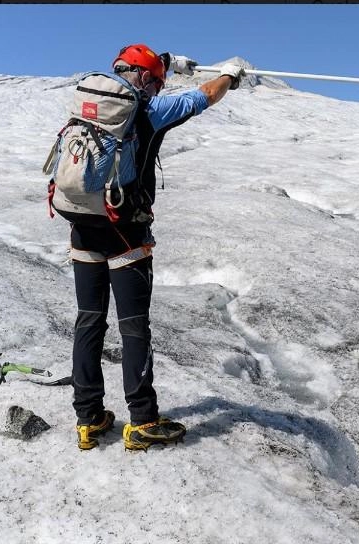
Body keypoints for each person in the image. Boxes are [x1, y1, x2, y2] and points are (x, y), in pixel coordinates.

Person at [67, 44, 246, 451]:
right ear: (146, 81)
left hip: (82, 230)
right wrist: (231, 75)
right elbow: (205, 95)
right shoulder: (148, 112)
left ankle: (89, 420)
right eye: (156, 80)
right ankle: (143, 421)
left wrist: (169, 65)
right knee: (134, 328)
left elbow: (146, 70)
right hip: (126, 234)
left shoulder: (88, 103)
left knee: (89, 321)